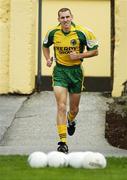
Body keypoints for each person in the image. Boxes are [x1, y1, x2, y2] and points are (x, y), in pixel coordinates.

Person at [43, 8, 98, 153]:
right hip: (60, 71)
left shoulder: (83, 32)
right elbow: (45, 46)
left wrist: (80, 55)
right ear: (58, 19)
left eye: (67, 17)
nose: (65, 20)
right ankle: (62, 142)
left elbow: (95, 51)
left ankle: (71, 120)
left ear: (72, 17)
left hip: (76, 72)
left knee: (74, 109)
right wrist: (48, 59)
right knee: (61, 106)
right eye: (62, 17)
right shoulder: (53, 32)